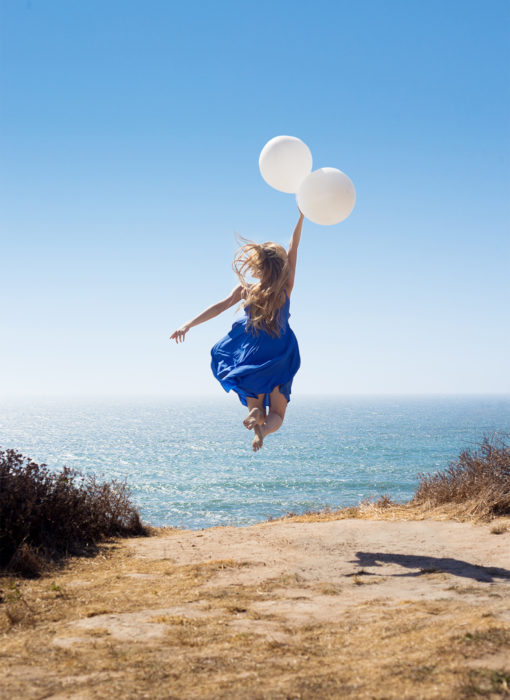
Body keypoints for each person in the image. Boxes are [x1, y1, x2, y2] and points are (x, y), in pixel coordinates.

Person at [170, 207, 304, 451]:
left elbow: (218, 308)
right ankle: (262, 429)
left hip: (251, 353)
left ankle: (254, 415)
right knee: (277, 415)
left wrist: (187, 324)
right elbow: (294, 248)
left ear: (259, 266)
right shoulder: (285, 289)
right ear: (280, 267)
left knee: (257, 407)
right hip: (279, 352)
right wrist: (301, 217)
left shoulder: (246, 290)